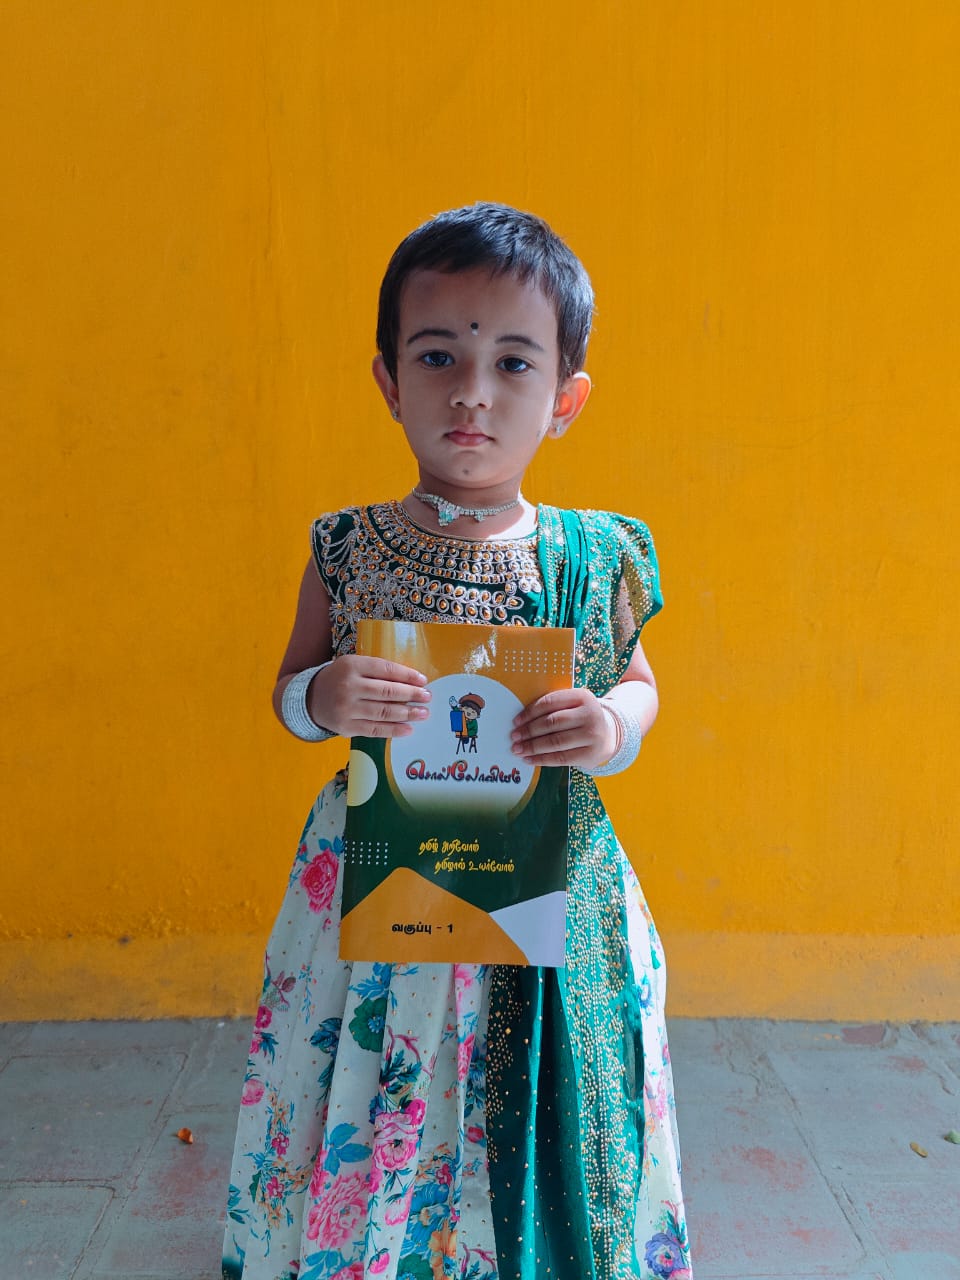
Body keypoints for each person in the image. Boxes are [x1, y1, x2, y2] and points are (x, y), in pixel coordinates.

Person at [222, 202, 692, 1280]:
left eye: (513, 362)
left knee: (537, 1082)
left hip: (549, 880)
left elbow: (638, 686)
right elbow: (288, 691)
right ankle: (371, 1248)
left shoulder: (595, 554)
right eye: (438, 356)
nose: (473, 391)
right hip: (384, 880)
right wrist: (324, 696)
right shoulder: (347, 547)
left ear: (565, 398)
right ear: (389, 380)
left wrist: (608, 724)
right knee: (384, 1064)